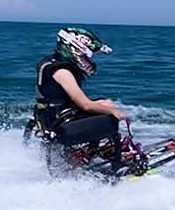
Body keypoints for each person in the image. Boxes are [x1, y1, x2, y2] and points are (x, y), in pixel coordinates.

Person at [31, 27, 128, 171]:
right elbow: (85, 105)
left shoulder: (50, 61)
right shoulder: (62, 72)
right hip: (60, 122)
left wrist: (103, 104)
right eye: (85, 55)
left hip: (50, 115)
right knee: (108, 113)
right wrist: (114, 111)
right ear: (74, 49)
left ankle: (82, 156)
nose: (87, 59)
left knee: (103, 103)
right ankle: (109, 161)